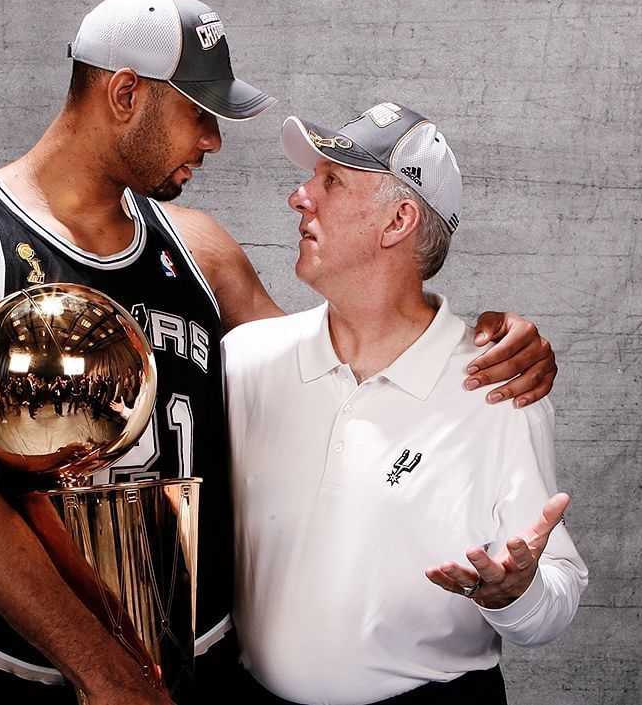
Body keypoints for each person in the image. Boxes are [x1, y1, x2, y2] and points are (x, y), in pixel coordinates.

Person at [0, 0, 558, 705]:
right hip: (18, 667)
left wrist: (475, 338)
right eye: (198, 113)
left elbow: (336, 378)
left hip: (195, 668)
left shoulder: (202, 250)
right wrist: (107, 676)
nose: (212, 139)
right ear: (124, 94)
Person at [224, 103, 588, 705]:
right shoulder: (246, 362)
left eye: (331, 181)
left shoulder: (497, 391)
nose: (298, 196)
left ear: (398, 220)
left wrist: (515, 596)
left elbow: (557, 596)